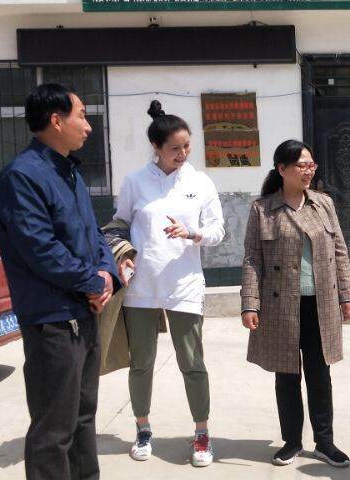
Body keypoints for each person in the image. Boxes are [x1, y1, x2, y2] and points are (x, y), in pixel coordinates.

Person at [0, 83, 119, 480]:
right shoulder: (21, 177)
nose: (89, 126)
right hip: (52, 319)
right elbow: (40, 248)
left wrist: (106, 275)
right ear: (56, 120)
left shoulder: (70, 172)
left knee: (83, 417)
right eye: (81, 115)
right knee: (54, 428)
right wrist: (91, 282)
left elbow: (94, 233)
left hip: (84, 312)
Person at [110, 100, 225, 466]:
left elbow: (218, 231)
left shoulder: (200, 182)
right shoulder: (134, 181)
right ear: (156, 147)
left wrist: (193, 233)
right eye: (174, 147)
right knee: (141, 363)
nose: (183, 153)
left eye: (187, 146)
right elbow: (118, 225)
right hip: (141, 288)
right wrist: (123, 255)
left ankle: (202, 434)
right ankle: (143, 429)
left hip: (185, 285)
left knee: (192, 363)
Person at [240, 139, 350, 468]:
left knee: (320, 375)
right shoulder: (263, 209)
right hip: (280, 307)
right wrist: (250, 303)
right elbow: (252, 259)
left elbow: (340, 251)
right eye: (301, 165)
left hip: (321, 304)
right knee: (286, 376)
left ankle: (325, 442)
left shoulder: (323, 204)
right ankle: (291, 441)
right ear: (282, 169)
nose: (308, 171)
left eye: (311, 165)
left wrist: (346, 295)